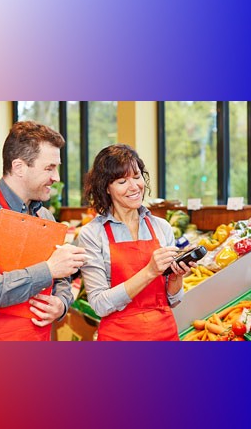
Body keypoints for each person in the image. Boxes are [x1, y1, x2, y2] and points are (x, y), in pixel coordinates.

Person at [0, 121, 87, 341]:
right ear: (19, 167)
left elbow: (61, 279)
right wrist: (47, 269)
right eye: (49, 168)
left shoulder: (46, 217)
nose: (57, 177)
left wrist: (61, 304)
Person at [78, 144, 191, 341]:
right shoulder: (92, 234)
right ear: (106, 187)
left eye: (137, 177)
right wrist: (149, 271)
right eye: (122, 181)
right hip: (119, 338)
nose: (134, 187)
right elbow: (99, 304)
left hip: (165, 334)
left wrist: (176, 277)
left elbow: (173, 299)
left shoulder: (161, 227)